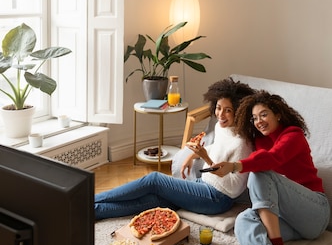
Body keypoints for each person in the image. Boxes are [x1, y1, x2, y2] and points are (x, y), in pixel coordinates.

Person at [210, 91, 330, 245]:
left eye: (264, 114)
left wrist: (235, 166)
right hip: (286, 219)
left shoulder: (293, 135)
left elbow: (273, 159)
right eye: (254, 118)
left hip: (314, 211)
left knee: (260, 170)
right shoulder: (260, 141)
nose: (259, 121)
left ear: (278, 114)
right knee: (243, 219)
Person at [94, 78, 254, 220]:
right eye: (218, 108)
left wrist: (206, 159)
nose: (221, 114)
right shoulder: (222, 127)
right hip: (204, 185)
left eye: (228, 110)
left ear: (239, 112)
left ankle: (90, 199)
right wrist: (191, 157)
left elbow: (234, 189)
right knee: (154, 199)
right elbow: (217, 148)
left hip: (218, 198)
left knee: (154, 179)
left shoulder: (242, 143)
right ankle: (94, 210)